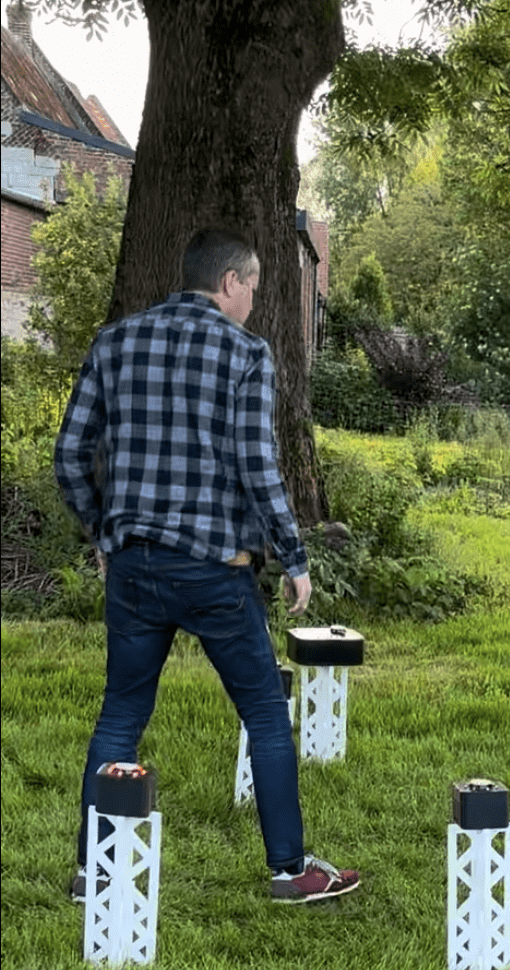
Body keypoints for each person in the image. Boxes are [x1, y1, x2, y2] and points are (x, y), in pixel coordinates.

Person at [54, 226, 360, 904]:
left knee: (122, 714)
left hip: (133, 566)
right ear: (230, 283)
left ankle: (93, 872)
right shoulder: (245, 352)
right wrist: (293, 556)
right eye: (252, 288)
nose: (253, 302)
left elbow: (70, 456)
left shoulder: (115, 342)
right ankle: (289, 871)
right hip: (215, 571)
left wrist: (104, 534)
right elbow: (257, 466)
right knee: (263, 714)